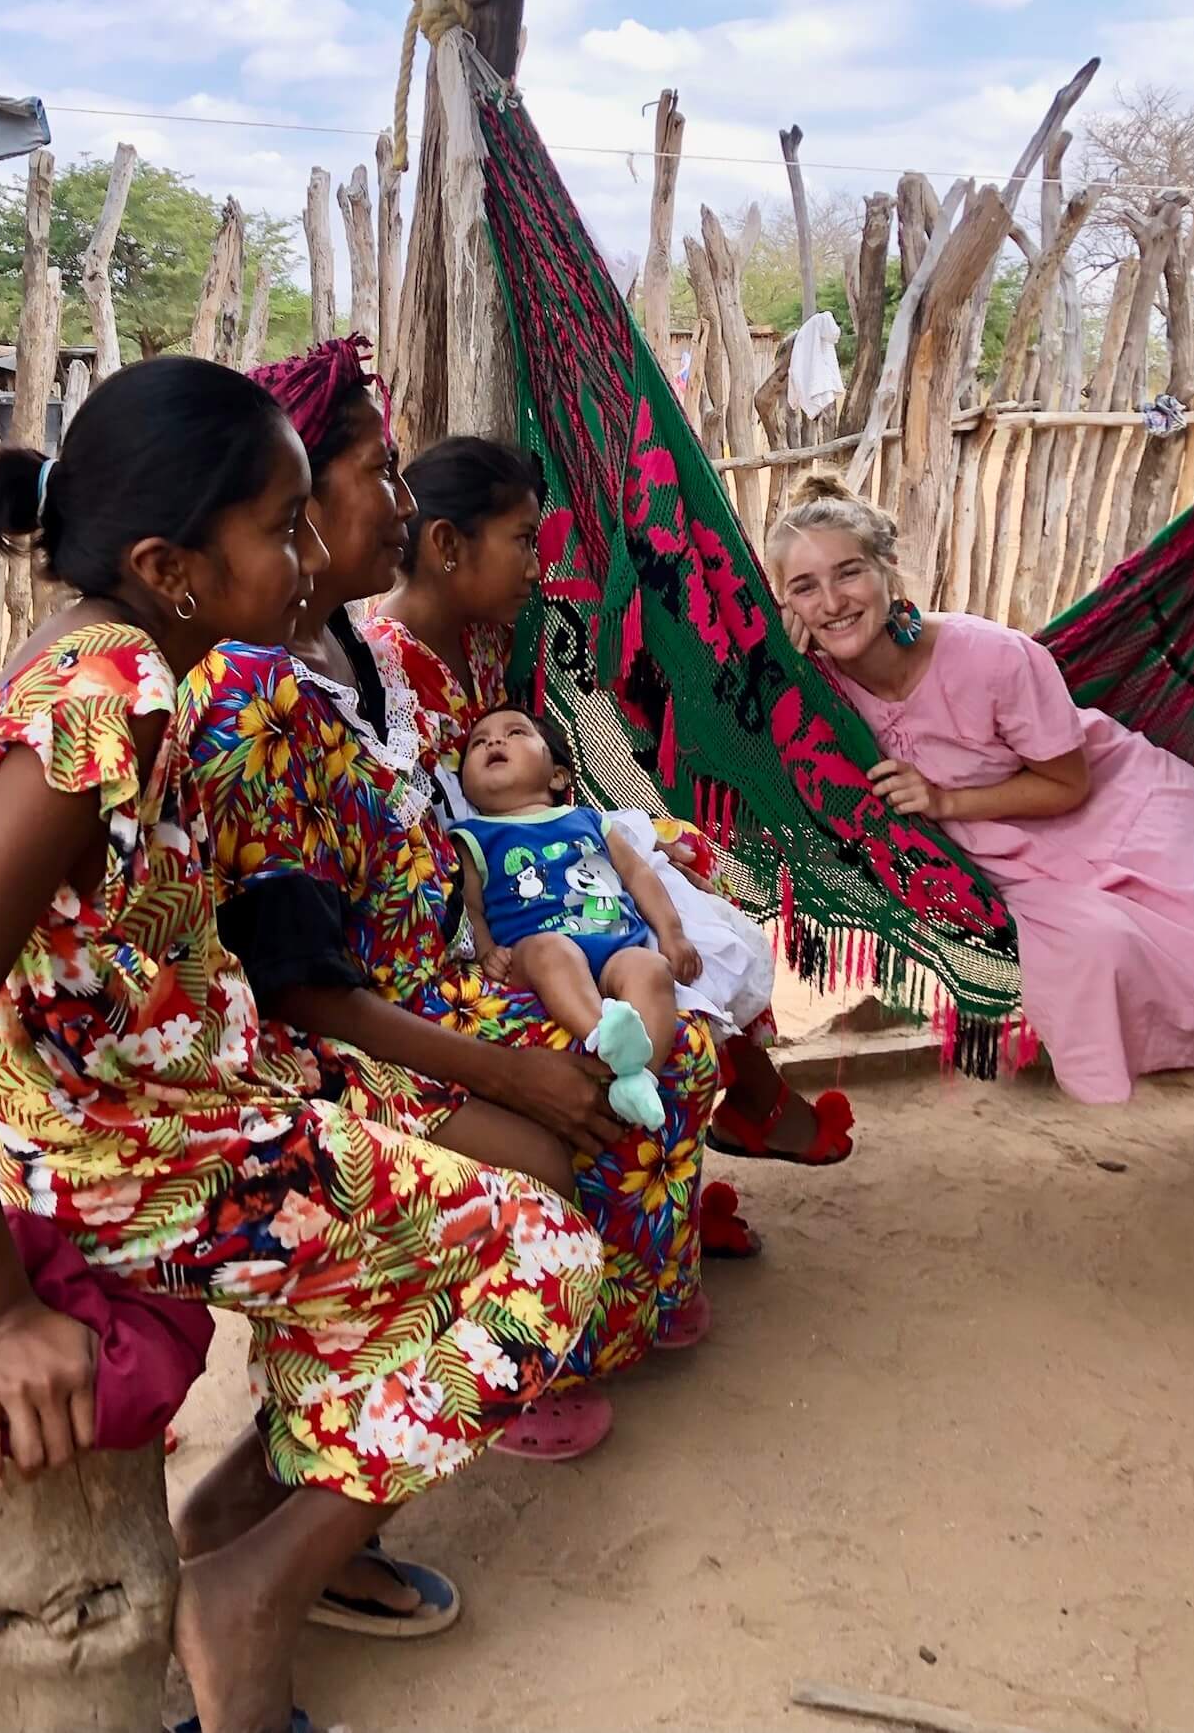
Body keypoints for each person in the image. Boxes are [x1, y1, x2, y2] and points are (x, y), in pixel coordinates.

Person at [0, 357, 602, 1733]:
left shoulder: (138, 658)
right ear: (171, 562)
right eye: (281, 524)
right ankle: (249, 1590)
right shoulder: (107, 688)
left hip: (192, 1082)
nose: (312, 546)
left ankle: (247, 1526)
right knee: (543, 1258)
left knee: (468, 1148)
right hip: (131, 1148)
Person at [186, 340, 719, 1464]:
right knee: (572, 1105)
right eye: (376, 473)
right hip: (360, 1028)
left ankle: (610, 1308)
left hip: (444, 981)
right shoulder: (250, 697)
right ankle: (534, 1358)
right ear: (286, 503)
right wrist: (504, 1063)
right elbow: (300, 988)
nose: (397, 499)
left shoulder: (351, 658)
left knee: (677, 1051)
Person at [368, 436, 854, 1212]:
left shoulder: (482, 639)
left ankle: (673, 1217)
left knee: (691, 906)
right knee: (674, 1037)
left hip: (548, 875)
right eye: (524, 541)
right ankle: (641, 1248)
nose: (537, 566)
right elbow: (424, 854)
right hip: (479, 923)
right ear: (446, 547)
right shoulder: (380, 669)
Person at [766, 470, 1194, 1143]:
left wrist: (941, 797)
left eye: (848, 574)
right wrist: (779, 667)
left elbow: (1068, 784)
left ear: (886, 573)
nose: (831, 602)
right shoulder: (811, 693)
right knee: (1104, 946)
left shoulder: (989, 657)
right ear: (782, 606)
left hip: (1115, 807)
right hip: (1015, 860)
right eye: (803, 587)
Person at [454, 703, 703, 1130]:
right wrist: (487, 948)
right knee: (553, 950)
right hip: (535, 956)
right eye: (479, 742)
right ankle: (605, 1036)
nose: (494, 741)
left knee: (652, 969)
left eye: (515, 733)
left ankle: (639, 1078)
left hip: (615, 948)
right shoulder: (473, 837)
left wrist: (672, 933)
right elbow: (470, 906)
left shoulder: (589, 821)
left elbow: (638, 874)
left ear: (558, 776)